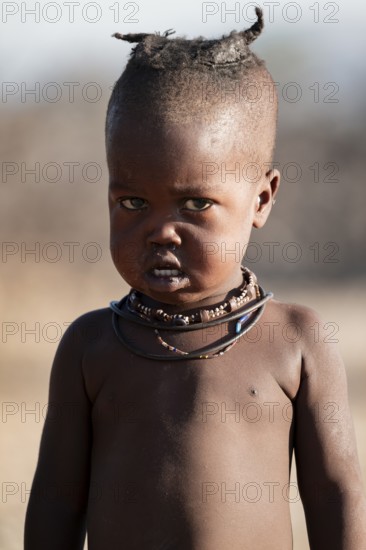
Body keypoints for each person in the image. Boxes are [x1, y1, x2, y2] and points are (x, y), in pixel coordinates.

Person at [24, 8, 366, 549]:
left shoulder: (296, 341)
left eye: (195, 203)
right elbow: (55, 502)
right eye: (132, 201)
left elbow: (335, 495)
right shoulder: (90, 348)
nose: (161, 231)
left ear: (261, 198)